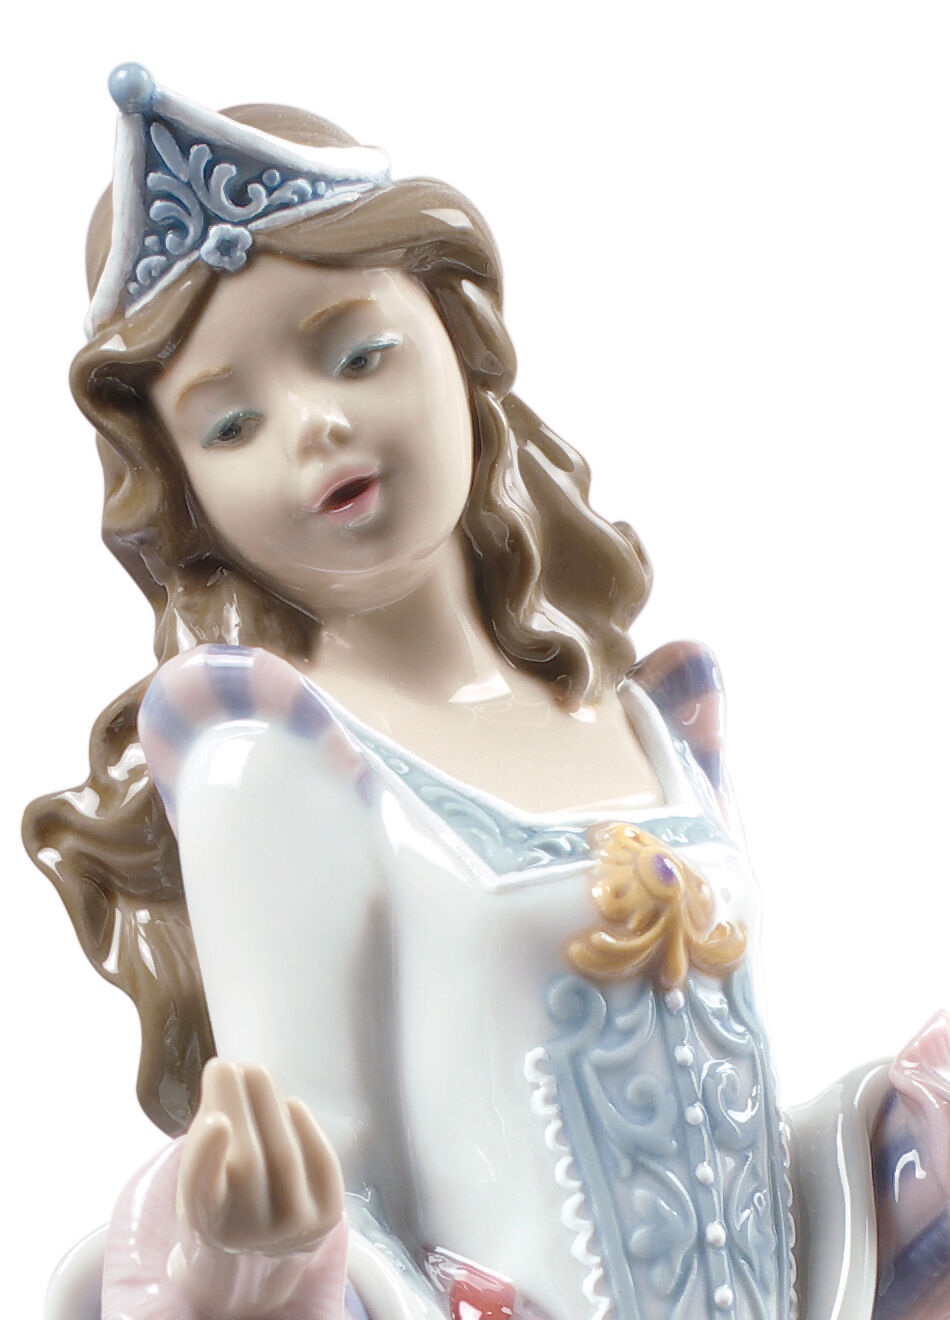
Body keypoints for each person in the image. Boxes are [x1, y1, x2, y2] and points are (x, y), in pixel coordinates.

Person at [23, 66, 950, 1320]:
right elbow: (323, 1176)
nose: (313, 427)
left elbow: (728, 1151)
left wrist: (886, 1146)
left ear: (456, 348)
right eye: (231, 426)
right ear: (190, 496)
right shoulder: (278, 758)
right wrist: (253, 1251)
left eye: (356, 355)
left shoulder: (645, 719)